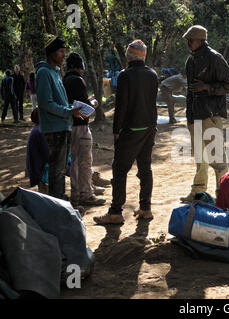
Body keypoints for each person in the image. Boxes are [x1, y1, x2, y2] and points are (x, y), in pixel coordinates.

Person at [94, 39, 159, 225]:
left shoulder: (125, 75)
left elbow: (121, 106)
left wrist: (116, 131)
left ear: (128, 57)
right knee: (145, 168)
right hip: (149, 128)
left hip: (131, 130)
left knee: (120, 170)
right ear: (144, 56)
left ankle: (115, 212)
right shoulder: (152, 74)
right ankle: (145, 208)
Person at [179, 25, 229, 203]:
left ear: (201, 40)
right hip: (194, 115)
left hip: (210, 115)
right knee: (200, 158)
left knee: (217, 156)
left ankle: (223, 194)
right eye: (188, 40)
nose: (188, 43)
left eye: (191, 40)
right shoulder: (191, 60)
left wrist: (207, 87)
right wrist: (188, 117)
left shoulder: (214, 58)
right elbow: (190, 91)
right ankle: (198, 193)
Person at [36, 36, 84, 200]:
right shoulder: (43, 72)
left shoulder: (55, 72)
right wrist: (69, 111)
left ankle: (61, 201)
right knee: (56, 171)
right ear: (51, 54)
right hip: (54, 129)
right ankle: (57, 204)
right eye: (61, 52)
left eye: (65, 52)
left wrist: (71, 110)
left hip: (63, 127)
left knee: (61, 170)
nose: (64, 55)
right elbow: (45, 103)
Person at [63, 52, 106, 207]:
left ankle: (77, 193)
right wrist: (93, 103)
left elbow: (75, 102)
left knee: (73, 162)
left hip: (69, 126)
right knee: (85, 162)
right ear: (79, 67)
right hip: (81, 127)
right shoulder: (77, 80)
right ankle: (87, 194)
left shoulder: (64, 80)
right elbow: (84, 109)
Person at [26, 107, 49, 194]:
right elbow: (47, 153)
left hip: (37, 167)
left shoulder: (37, 129)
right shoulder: (41, 130)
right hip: (40, 169)